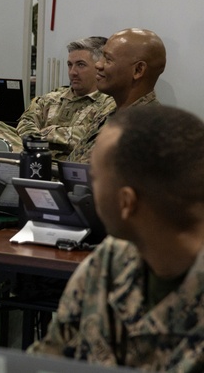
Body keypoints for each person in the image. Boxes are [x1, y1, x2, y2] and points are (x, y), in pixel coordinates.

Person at [29, 104, 204, 368]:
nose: (86, 189)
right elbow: (45, 361)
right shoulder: (110, 264)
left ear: (126, 203)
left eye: (95, 178)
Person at [0, 36, 115, 156]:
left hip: (67, 166)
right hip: (35, 153)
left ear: (98, 67)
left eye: (81, 65)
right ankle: (35, 159)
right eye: (70, 65)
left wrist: (47, 133)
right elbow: (26, 122)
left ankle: (32, 160)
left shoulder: (109, 102)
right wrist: (38, 140)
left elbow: (90, 136)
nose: (72, 72)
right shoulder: (51, 98)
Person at [66, 28, 165, 163]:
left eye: (108, 59)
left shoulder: (147, 131)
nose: (98, 65)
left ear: (138, 70)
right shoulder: (109, 115)